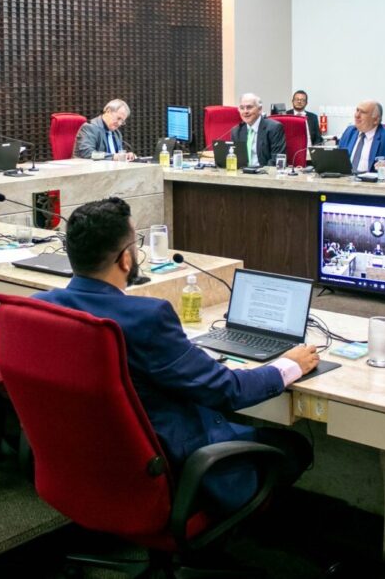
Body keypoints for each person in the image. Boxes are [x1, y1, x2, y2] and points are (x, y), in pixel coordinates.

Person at [33, 197, 317, 513]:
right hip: (168, 467)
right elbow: (228, 390)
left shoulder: (41, 308)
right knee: (294, 447)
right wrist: (288, 366)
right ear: (126, 259)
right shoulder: (146, 318)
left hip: (90, 462)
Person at [336, 100, 385, 174]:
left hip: (370, 180)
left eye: (363, 112)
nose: (357, 115)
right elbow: (338, 160)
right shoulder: (349, 132)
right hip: (345, 179)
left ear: (375, 120)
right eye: (357, 110)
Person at [229, 93, 285, 168]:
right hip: (242, 173)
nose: (245, 111)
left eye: (249, 107)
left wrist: (258, 171)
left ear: (260, 109)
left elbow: (276, 160)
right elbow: (234, 158)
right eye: (242, 108)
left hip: (265, 173)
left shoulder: (274, 128)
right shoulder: (236, 131)